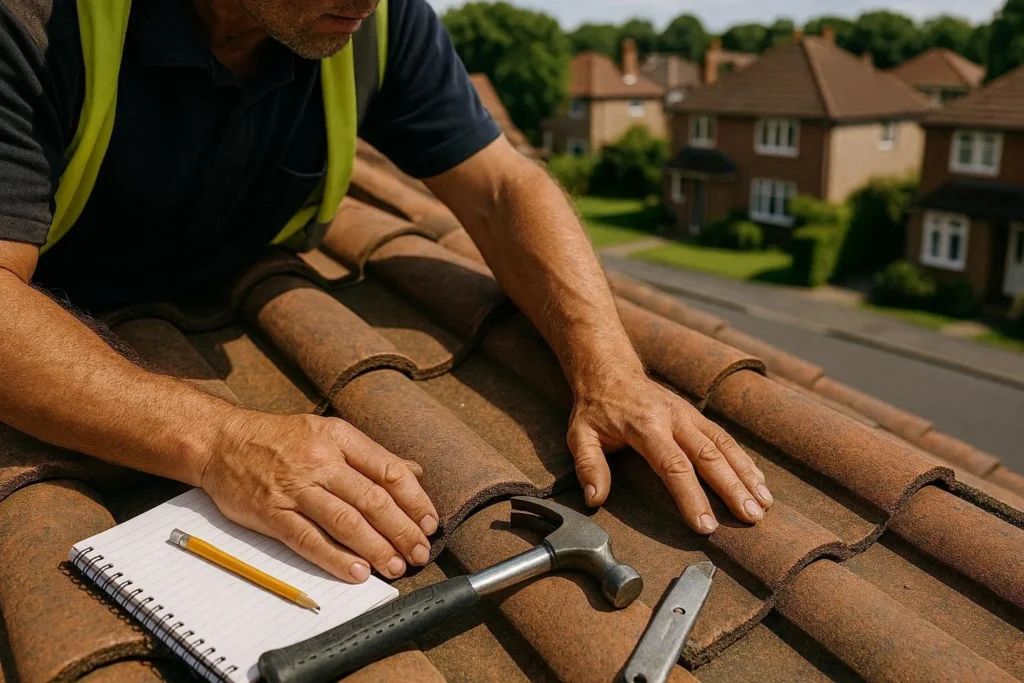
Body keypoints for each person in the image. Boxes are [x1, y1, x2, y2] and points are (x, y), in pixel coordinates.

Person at [0, 0, 772, 584]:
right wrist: (219, 439)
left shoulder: (371, 17)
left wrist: (610, 369)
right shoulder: (35, 21)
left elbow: (502, 188)